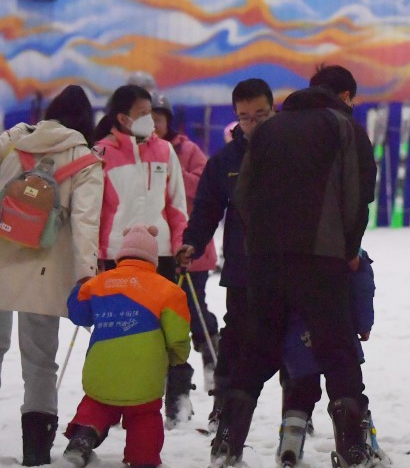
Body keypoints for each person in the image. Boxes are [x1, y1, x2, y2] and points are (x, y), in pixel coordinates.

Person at [210, 64, 381, 468]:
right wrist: (347, 249)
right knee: (336, 350)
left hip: (265, 260)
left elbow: (244, 195)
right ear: (344, 97)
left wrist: (261, 246)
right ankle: (356, 457)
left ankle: (225, 447)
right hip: (322, 258)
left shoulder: (270, 129)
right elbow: (361, 194)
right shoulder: (344, 128)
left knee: (258, 346)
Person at [0, 86, 103, 466]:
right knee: (41, 360)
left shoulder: (16, 139)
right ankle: (36, 451)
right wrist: (84, 278)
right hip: (44, 271)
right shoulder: (86, 160)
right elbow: (85, 224)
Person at [174, 78, 274, 425]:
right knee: (235, 340)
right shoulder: (225, 160)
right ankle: (224, 408)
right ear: (235, 117)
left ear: (273, 110)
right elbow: (206, 210)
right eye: (245, 117)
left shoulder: (291, 150)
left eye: (260, 115)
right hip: (242, 268)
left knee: (293, 341)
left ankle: (297, 415)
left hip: (288, 267)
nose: (253, 123)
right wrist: (192, 242)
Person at [92, 84, 192, 426]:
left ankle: (175, 401)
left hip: (161, 254)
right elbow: (93, 212)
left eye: (152, 112)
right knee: (121, 334)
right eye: (143, 114)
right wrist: (94, 256)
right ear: (122, 117)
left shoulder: (165, 150)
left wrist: (180, 243)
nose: (151, 120)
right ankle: (118, 403)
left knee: (167, 330)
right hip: (117, 258)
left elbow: (177, 205)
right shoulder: (101, 153)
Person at [62, 224, 191, 468]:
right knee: (144, 415)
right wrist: (177, 358)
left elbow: (78, 314)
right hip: (145, 376)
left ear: (120, 255)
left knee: (96, 405)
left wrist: (80, 286)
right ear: (153, 259)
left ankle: (83, 437)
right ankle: (142, 460)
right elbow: (178, 337)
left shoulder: (99, 284)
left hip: (101, 370)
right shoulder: (169, 291)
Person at [278, 249, 378, 468]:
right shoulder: (349, 248)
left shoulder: (283, 248)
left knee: (301, 392)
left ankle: (289, 449)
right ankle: (352, 453)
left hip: (296, 337)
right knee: (346, 387)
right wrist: (363, 325)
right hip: (337, 329)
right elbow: (362, 288)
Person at [150, 92, 214, 422]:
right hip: (154, 251)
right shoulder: (140, 151)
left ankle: (207, 354)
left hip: (189, 249)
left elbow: (205, 187)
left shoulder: (187, 150)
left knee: (191, 309)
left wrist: (172, 174)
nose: (153, 125)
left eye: (158, 119)